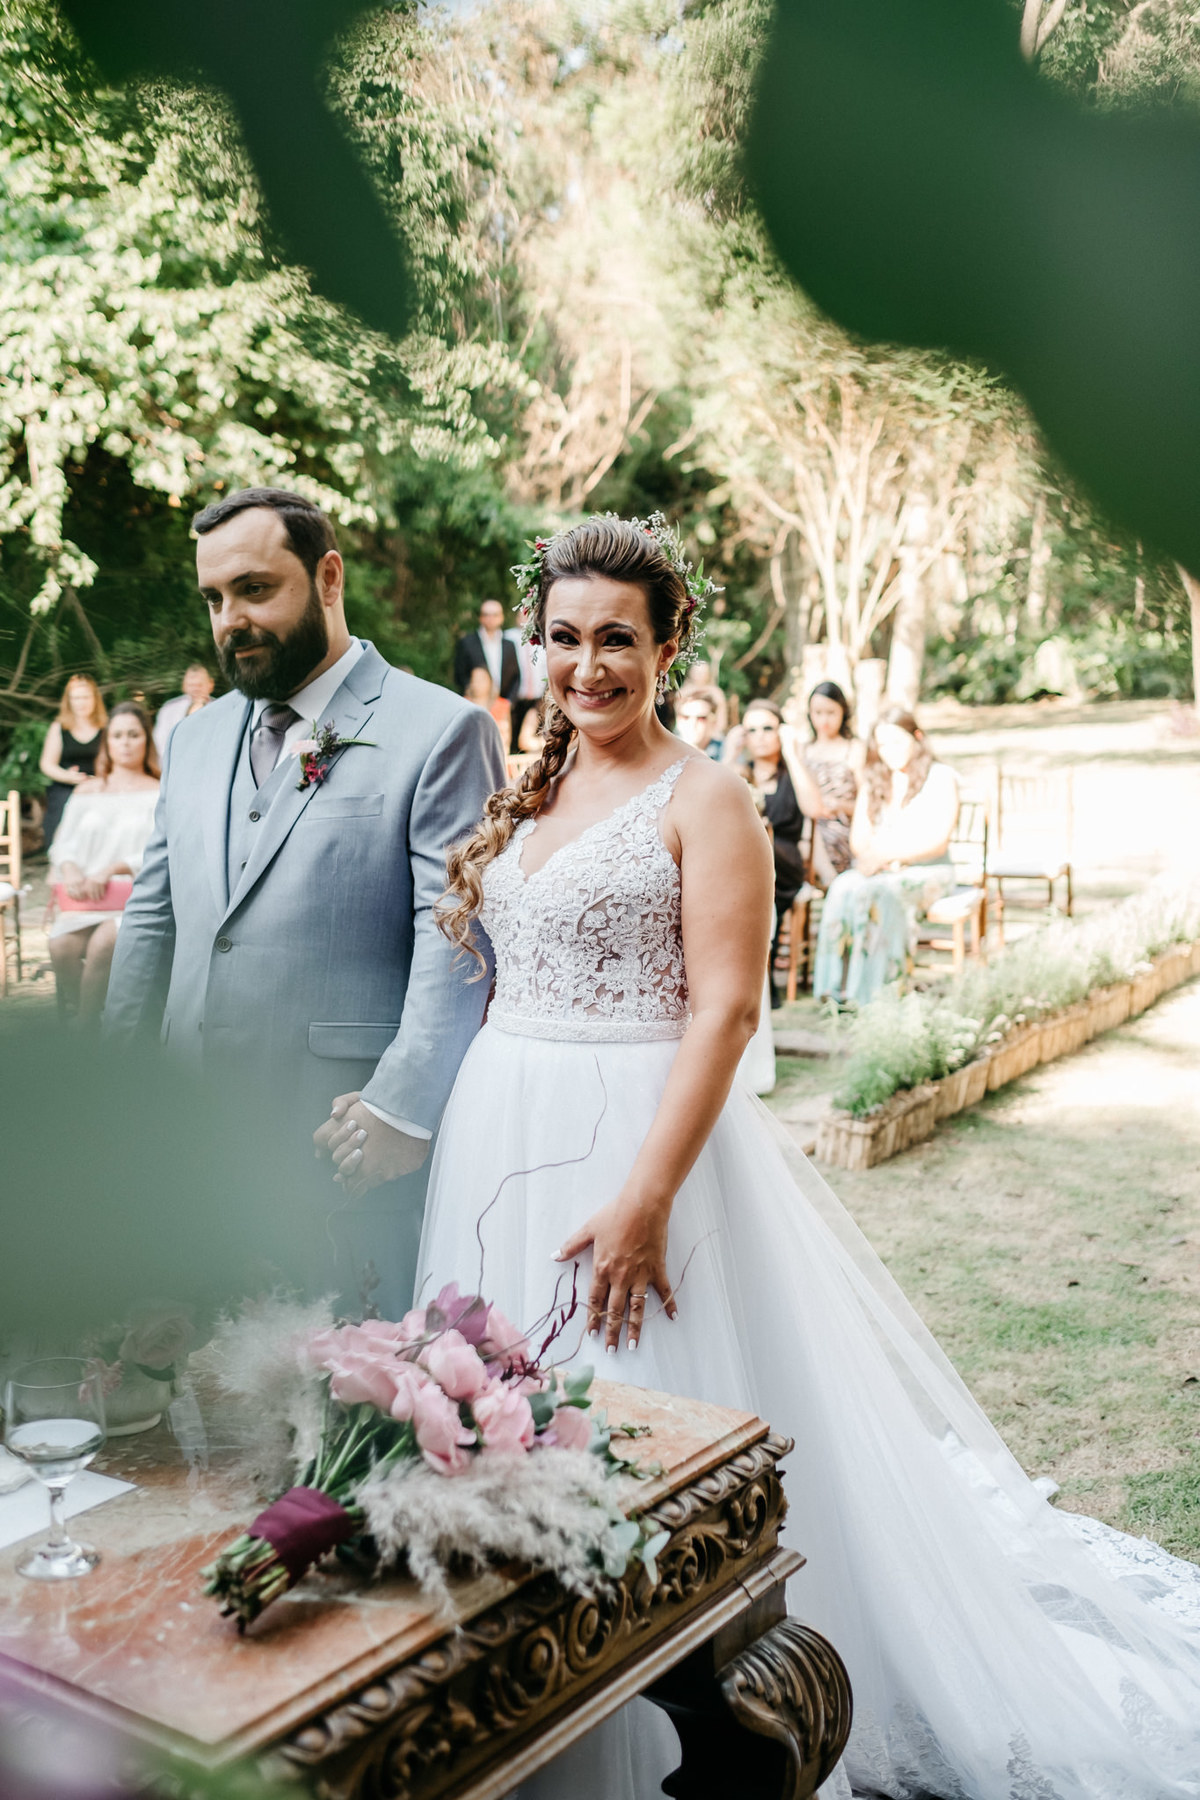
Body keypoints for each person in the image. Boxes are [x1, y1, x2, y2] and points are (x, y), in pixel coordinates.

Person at [377, 514, 1200, 1800]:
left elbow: (728, 1009)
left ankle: (671, 1718)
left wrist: (645, 1199)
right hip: (503, 1123)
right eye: (565, 638)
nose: (588, 667)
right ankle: (527, 1695)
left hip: (637, 1138)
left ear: (667, 647)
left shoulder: (702, 795)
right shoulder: (528, 782)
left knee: (640, 1427)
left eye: (618, 642)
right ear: (535, 642)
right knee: (505, 1412)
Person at [103, 486, 505, 1313]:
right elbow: (153, 919)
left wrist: (399, 1109)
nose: (230, 621)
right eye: (214, 599)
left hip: (339, 1147)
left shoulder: (440, 729)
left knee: (347, 1413)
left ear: (328, 577)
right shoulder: (193, 737)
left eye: (255, 590)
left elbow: (456, 939)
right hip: (188, 1142)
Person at [813, 707, 959, 1007]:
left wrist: (889, 856)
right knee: (843, 887)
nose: (889, 750)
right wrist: (874, 859)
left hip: (927, 871)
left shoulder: (940, 777)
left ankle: (878, 995)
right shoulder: (875, 781)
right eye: (882, 743)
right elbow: (859, 840)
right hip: (879, 869)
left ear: (917, 737)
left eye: (896, 741)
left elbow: (938, 842)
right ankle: (835, 992)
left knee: (882, 893)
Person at [48, 703, 159, 1028]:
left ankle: (85, 1028)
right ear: (107, 742)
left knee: (103, 945)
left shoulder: (158, 791)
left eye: (133, 735)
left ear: (146, 741)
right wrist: (69, 868)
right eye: (117, 735)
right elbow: (62, 844)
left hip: (135, 901)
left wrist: (114, 867)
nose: (125, 742)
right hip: (87, 899)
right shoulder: (87, 790)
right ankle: (99, 1017)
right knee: (60, 947)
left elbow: (162, 851)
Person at [783, 678, 862, 887]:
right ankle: (828, 884)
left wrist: (840, 805)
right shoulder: (803, 751)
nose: (824, 719)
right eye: (818, 713)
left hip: (846, 829)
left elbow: (870, 802)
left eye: (831, 712)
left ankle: (833, 885)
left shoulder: (854, 749)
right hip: (809, 827)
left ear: (843, 712)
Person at [38, 675, 107, 846]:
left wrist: (97, 781)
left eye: (85, 697)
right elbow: (47, 764)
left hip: (100, 788)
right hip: (65, 788)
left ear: (95, 699)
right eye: (76, 698)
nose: (81, 702)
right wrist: (69, 777)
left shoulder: (107, 727)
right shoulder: (59, 728)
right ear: (69, 701)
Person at [454, 598, 521, 723]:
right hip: (475, 705)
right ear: (480, 617)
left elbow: (516, 676)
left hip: (503, 707)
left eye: (495, 615)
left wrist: (509, 702)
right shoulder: (467, 643)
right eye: (486, 614)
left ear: (501, 617)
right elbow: (459, 674)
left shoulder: (509, 645)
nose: (490, 618)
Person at [153, 662, 215, 757]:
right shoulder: (168, 710)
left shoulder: (222, 708)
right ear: (184, 686)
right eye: (191, 685)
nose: (195, 689)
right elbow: (159, 743)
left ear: (210, 684)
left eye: (199, 685)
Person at [463, 665, 512, 746]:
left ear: (490, 681)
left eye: (481, 679)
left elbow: (507, 737)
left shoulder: (502, 705)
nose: (477, 683)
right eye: (474, 679)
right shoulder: (464, 704)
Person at [674, 688, 724, 758]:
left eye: (701, 718)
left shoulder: (725, 751)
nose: (692, 724)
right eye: (686, 717)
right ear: (678, 720)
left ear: (713, 722)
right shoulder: (665, 749)